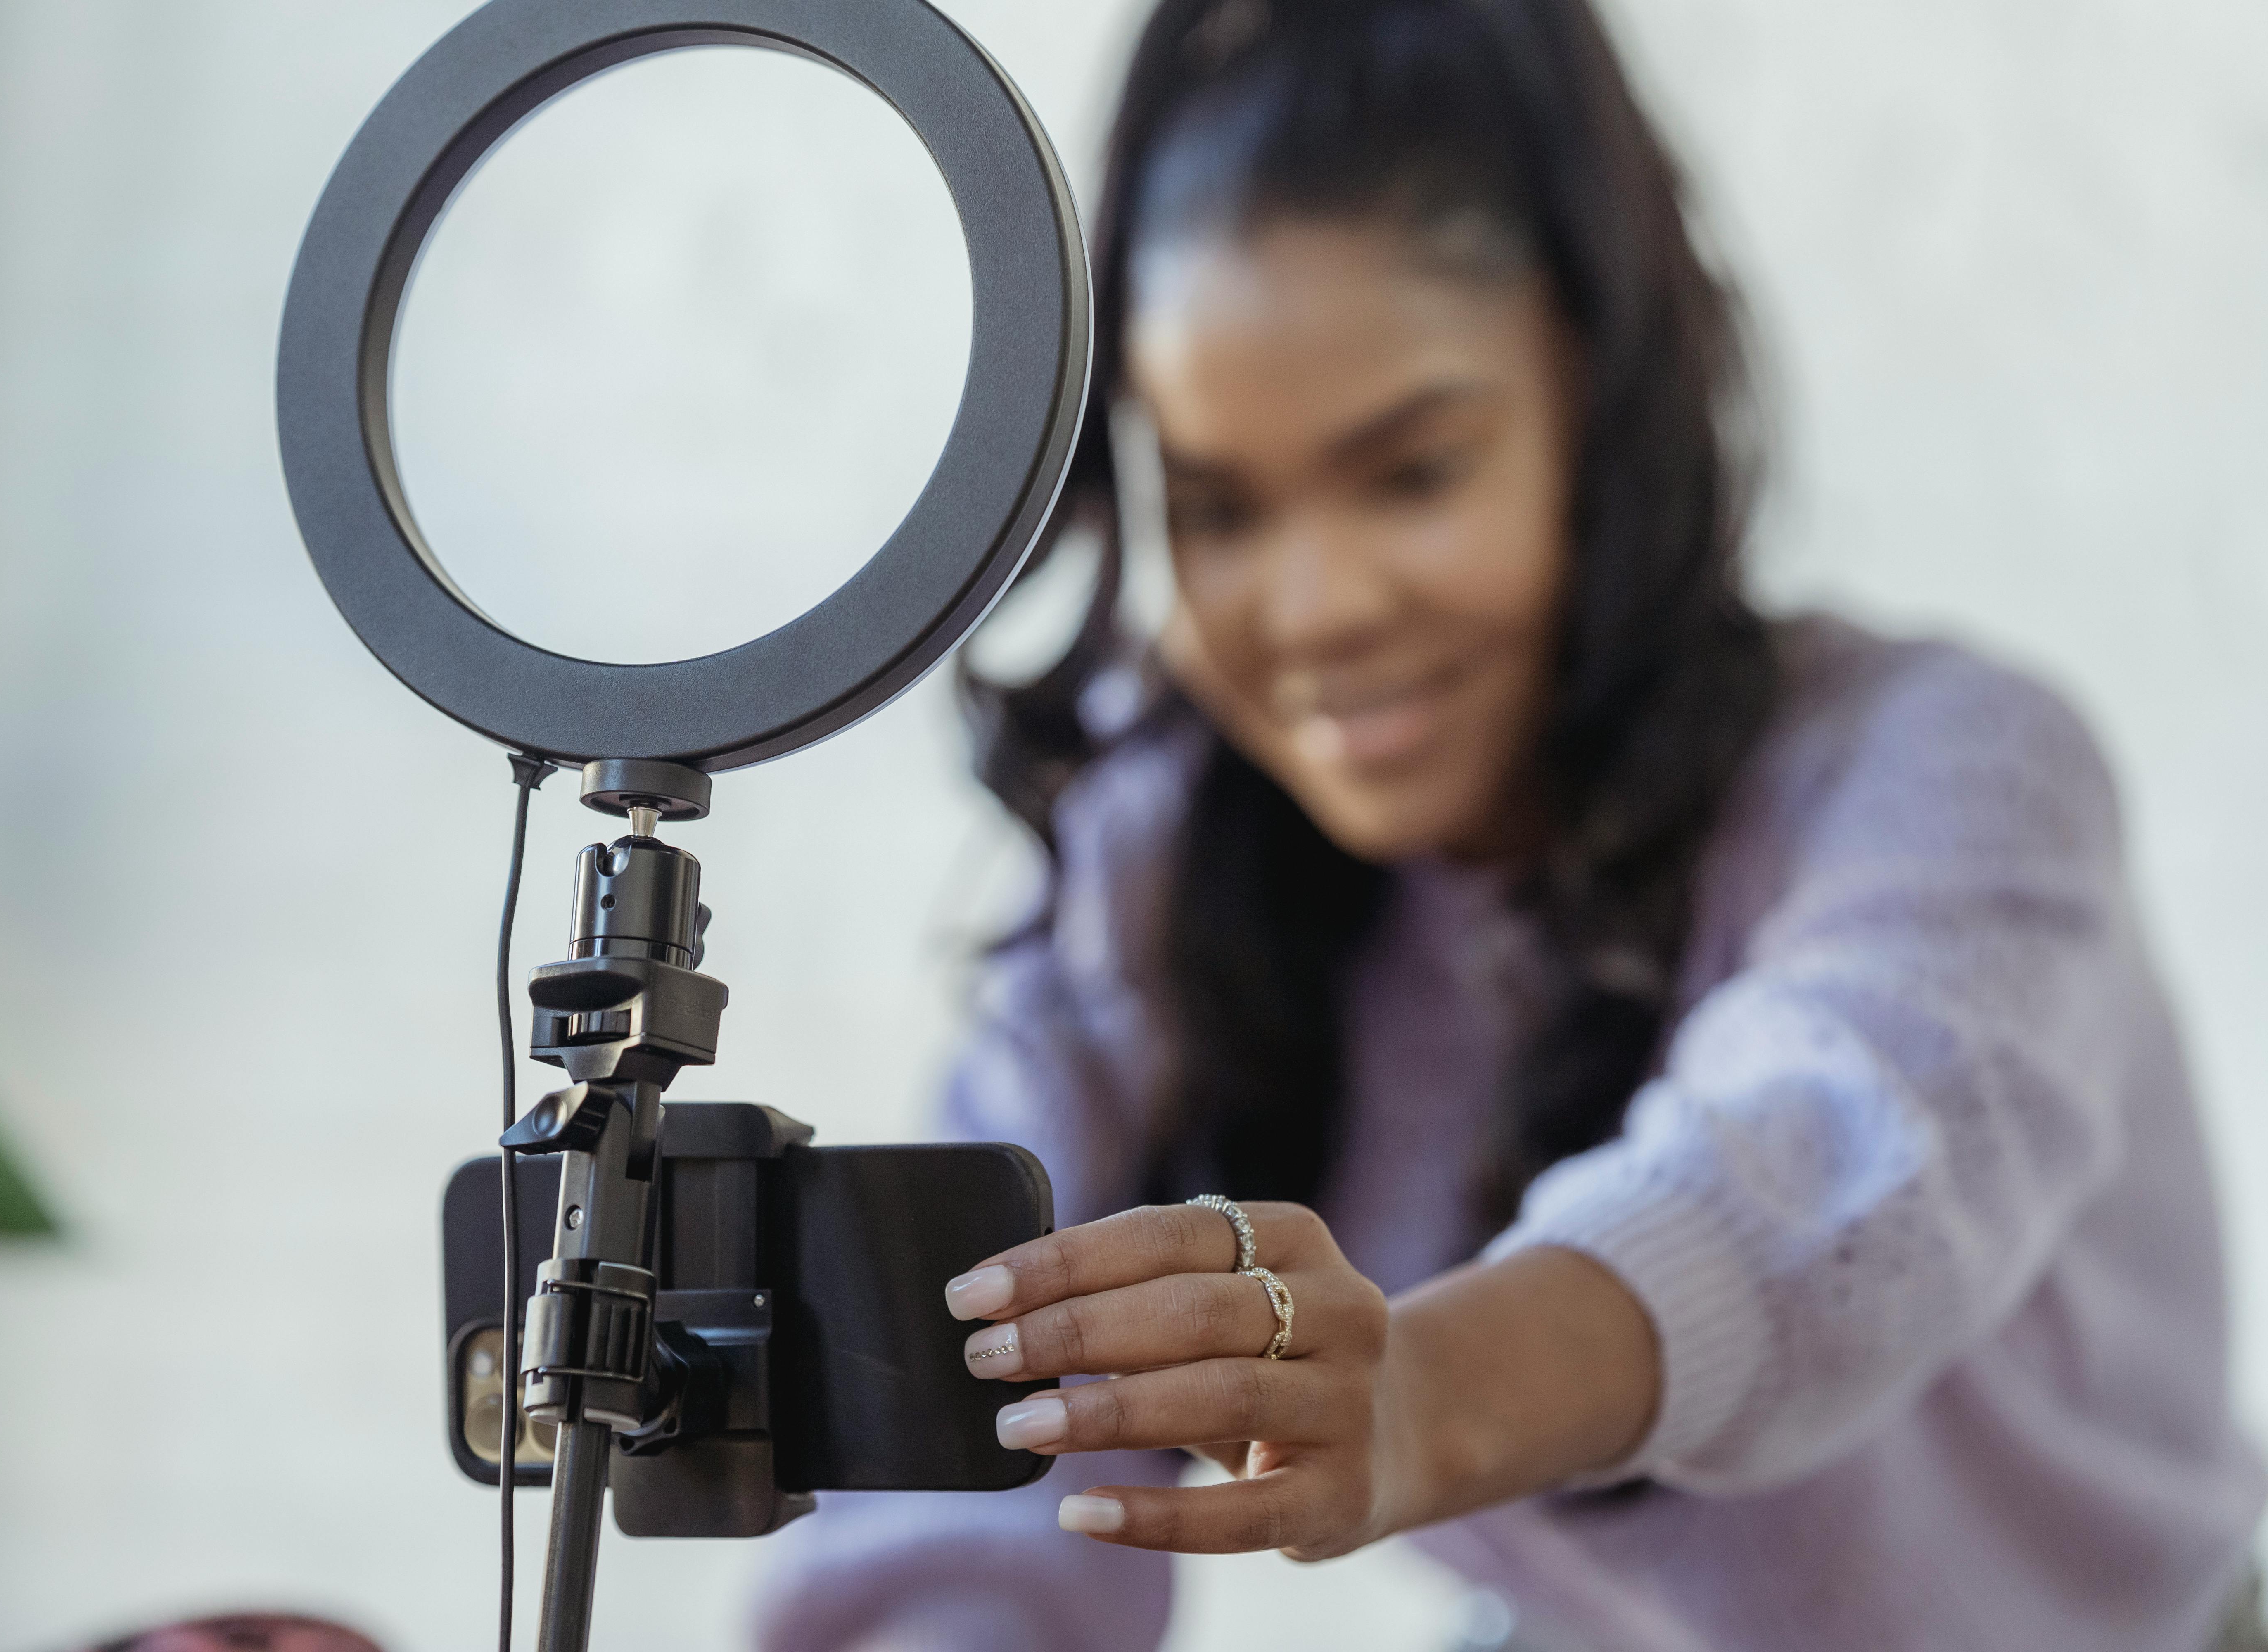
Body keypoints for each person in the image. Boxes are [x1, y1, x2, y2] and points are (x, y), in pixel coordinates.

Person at [754, 1, 2264, 1647]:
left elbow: (1825, 1173)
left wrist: (1419, 1397)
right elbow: (963, 1471)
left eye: (1414, 473)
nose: (1316, 608)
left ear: (1598, 409)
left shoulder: (1953, 772)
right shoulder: (1158, 866)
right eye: (1223, 509)